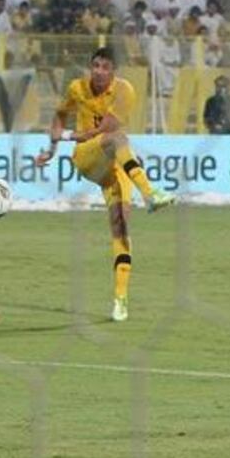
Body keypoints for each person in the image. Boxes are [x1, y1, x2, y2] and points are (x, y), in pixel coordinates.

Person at [35, 47, 175, 322]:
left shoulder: (125, 91)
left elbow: (103, 128)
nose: (98, 71)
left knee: (120, 226)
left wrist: (64, 135)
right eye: (95, 65)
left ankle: (120, 299)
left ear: (113, 72)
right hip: (89, 158)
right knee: (117, 137)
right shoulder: (77, 88)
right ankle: (150, 193)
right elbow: (62, 115)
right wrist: (53, 148)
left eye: (105, 67)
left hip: (115, 167)